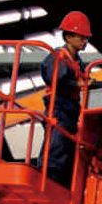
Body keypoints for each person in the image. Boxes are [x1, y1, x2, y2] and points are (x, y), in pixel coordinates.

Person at [39, 11, 92, 188]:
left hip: (71, 110)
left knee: (67, 149)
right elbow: (56, 80)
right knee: (57, 146)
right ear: (68, 36)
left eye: (86, 38)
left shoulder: (77, 62)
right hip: (59, 107)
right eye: (81, 37)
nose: (84, 41)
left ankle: (62, 185)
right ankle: (48, 181)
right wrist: (79, 84)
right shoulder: (59, 57)